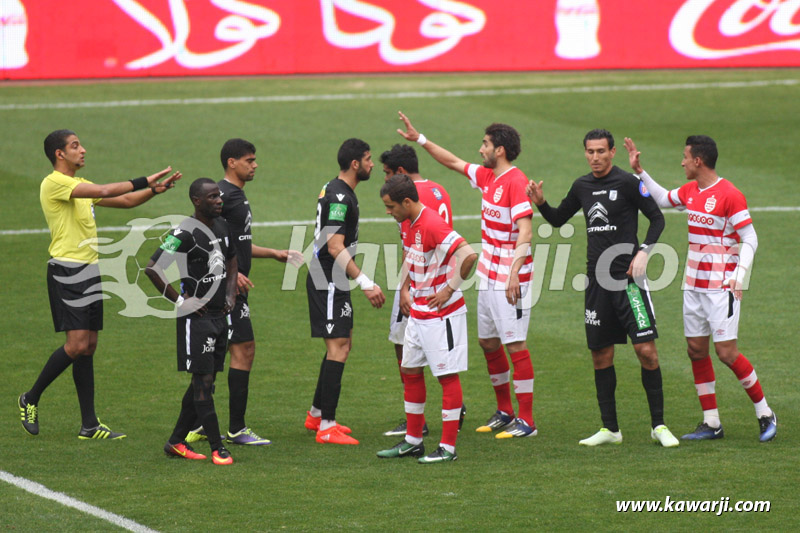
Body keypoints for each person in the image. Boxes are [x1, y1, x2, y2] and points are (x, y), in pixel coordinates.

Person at [18, 129, 181, 439]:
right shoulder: (54, 183)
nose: (83, 150)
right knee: (77, 344)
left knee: (89, 346)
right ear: (59, 155)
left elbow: (128, 201)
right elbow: (107, 190)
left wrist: (155, 191)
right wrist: (144, 179)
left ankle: (89, 425)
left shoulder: (79, 186)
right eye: (75, 146)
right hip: (67, 271)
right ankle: (31, 397)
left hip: (89, 271)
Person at [527, 129, 678, 447]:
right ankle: (610, 429)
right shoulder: (581, 186)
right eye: (590, 152)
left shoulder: (627, 183)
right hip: (596, 282)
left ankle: (659, 426)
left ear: (612, 153)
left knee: (646, 352)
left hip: (629, 282)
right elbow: (557, 219)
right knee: (600, 355)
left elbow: (657, 219)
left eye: (600, 151)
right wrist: (541, 203)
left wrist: (644, 251)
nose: (595, 157)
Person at [624, 135, 777, 442]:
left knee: (726, 353)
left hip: (722, 286)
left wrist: (740, 276)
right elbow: (664, 198)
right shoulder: (692, 191)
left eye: (685, 157)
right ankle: (712, 422)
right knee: (696, 350)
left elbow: (750, 238)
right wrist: (640, 171)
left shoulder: (729, 194)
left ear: (698, 161)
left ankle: (765, 413)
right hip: (693, 285)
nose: (681, 162)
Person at [397, 112, 537, 439]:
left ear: (499, 150)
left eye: (485, 144)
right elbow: (453, 162)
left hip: (509, 276)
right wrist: (420, 139)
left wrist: (515, 272)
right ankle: (505, 410)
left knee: (515, 344)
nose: (480, 150)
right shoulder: (489, 178)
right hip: (487, 271)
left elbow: (526, 231)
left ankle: (527, 421)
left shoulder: (516, 181)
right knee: (488, 342)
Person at [185, 139, 302, 446]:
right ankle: (235, 428)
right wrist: (228, 276)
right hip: (224, 291)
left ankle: (197, 421)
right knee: (240, 350)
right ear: (231, 163)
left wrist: (274, 253)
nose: (255, 164)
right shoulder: (223, 197)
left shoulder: (236, 195)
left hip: (231, 287)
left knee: (221, 355)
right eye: (249, 160)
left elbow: (237, 243)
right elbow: (208, 239)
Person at [376, 174, 478, 463]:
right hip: (419, 312)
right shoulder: (408, 222)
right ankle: (412, 440)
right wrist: (405, 287)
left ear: (406, 202)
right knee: (410, 371)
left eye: (390, 206)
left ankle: (447, 448)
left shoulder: (432, 223)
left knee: (446, 377)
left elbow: (469, 255)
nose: (388, 212)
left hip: (441, 314)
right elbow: (411, 256)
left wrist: (448, 289)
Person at [145, 178, 238, 465]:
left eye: (219, 196)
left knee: (205, 383)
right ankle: (217, 447)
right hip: (195, 320)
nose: (218, 201)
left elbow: (232, 260)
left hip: (220, 317)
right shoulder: (183, 232)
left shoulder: (222, 225)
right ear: (197, 201)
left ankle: (175, 441)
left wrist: (232, 293)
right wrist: (180, 300)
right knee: (203, 383)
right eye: (211, 197)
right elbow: (152, 268)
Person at [304, 138, 385, 445]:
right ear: (355, 164)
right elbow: (334, 245)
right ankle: (327, 426)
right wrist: (366, 282)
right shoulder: (339, 196)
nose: (372, 164)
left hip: (334, 276)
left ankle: (316, 415)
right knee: (338, 345)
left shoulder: (338, 190)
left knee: (342, 343)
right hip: (327, 276)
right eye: (368, 159)